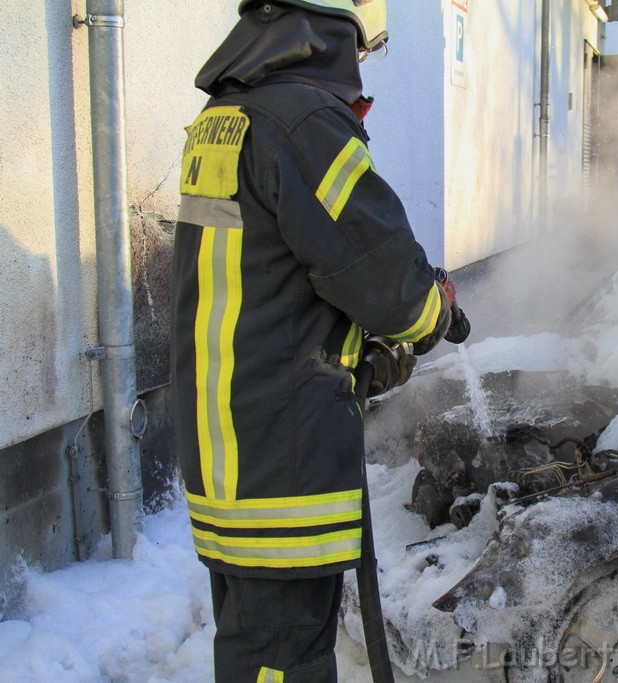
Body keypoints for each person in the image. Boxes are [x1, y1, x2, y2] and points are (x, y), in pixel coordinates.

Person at [171, 1, 454, 679]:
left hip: (230, 453)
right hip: (282, 466)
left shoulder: (225, 121)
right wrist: (434, 312)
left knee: (255, 650)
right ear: (329, 32)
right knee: (281, 663)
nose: (358, 66)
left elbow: (265, 282)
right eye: (363, 47)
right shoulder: (304, 124)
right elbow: (389, 283)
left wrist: (355, 356)